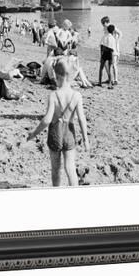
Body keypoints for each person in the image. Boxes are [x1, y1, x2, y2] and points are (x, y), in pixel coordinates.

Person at [27, 59, 89, 187]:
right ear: (71, 76)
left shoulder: (54, 95)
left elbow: (47, 120)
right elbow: (82, 119)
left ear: (56, 76)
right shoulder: (77, 95)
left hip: (55, 132)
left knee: (56, 169)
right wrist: (86, 139)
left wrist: (34, 133)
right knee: (70, 168)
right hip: (69, 132)